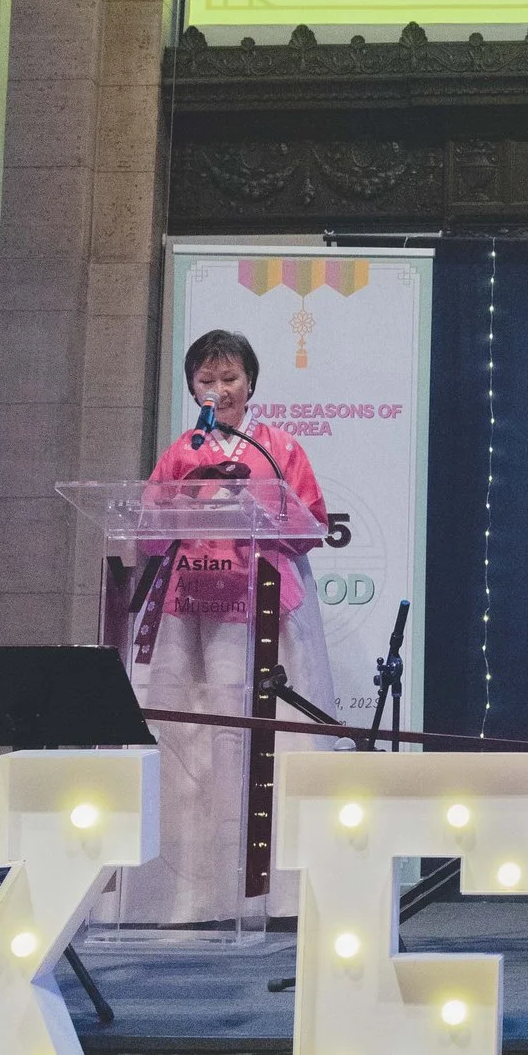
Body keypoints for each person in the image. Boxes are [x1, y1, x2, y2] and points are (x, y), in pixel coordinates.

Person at [121, 330, 342, 926]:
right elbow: (147, 528)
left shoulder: (280, 449)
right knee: (190, 733)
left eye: (230, 379)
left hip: (264, 613)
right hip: (189, 611)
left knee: (269, 735)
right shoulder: (179, 451)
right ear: (192, 387)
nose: (219, 391)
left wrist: (257, 510)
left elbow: (311, 527)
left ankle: (278, 896)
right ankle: (185, 896)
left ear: (251, 383)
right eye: (206, 381)